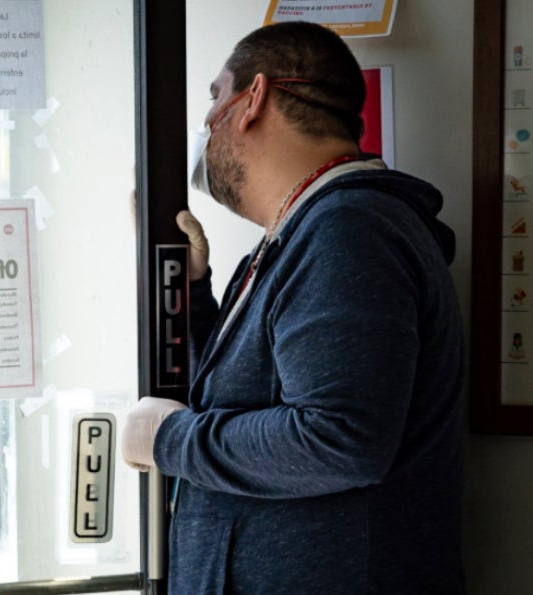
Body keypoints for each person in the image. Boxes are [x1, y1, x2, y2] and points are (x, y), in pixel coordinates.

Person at [122, 22, 465, 594]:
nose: (207, 126)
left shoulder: (348, 231)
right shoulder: (302, 233)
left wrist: (170, 440)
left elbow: (338, 439)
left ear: (252, 99)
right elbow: (242, 398)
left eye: (214, 100)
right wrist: (195, 292)